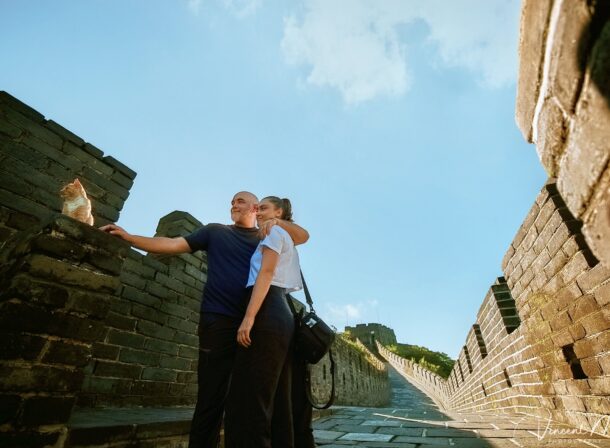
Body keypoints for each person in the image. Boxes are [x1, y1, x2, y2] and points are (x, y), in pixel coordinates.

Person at [99, 191, 309, 448]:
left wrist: (277, 221)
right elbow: (173, 244)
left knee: (249, 399)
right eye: (232, 201)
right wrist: (130, 238)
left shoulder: (268, 234)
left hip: (259, 326)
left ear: (256, 208)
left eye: (240, 201)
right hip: (218, 321)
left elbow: (302, 236)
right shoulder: (216, 231)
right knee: (211, 397)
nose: (233, 204)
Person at [224, 196, 303, 448]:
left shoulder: (275, 231)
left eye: (264, 208)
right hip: (281, 312)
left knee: (251, 397)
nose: (258, 213)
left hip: (267, 309)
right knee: (277, 398)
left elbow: (266, 273)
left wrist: (248, 318)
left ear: (278, 211)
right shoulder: (284, 236)